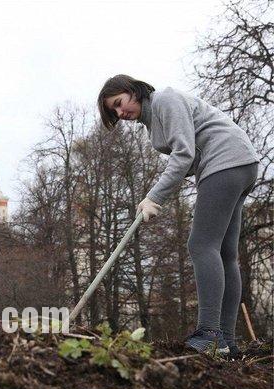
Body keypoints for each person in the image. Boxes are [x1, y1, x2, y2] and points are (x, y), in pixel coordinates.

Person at [97, 75, 259, 356]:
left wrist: (154, 197)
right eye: (115, 113)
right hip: (242, 164)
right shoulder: (154, 122)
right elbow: (186, 160)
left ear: (132, 90)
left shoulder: (165, 100)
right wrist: (156, 197)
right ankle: (227, 340)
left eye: (119, 103)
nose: (121, 113)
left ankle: (209, 334)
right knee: (224, 253)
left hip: (224, 162)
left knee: (201, 245)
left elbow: (182, 155)